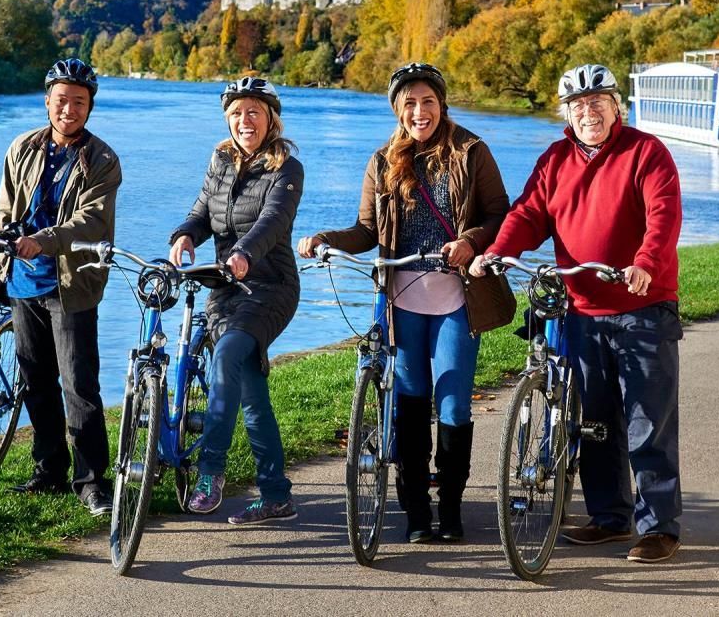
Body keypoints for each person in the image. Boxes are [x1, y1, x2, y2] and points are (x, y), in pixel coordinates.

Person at [472, 63, 684, 564]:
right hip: (581, 307)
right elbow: (529, 212)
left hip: (642, 306)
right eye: (579, 105)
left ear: (616, 106)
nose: (589, 112)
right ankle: (611, 518)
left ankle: (659, 528)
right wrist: (501, 251)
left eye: (598, 102)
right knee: (595, 420)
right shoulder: (556, 159)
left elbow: (663, 215)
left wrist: (645, 263)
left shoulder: (645, 152)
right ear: (567, 112)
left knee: (647, 420)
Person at [297, 62, 512, 543]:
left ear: (442, 104)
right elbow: (366, 231)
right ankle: (416, 514)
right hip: (403, 300)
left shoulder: (472, 151)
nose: (420, 112)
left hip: (458, 298)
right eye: (410, 104)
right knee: (411, 407)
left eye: (428, 101)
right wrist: (324, 239)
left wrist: (471, 242)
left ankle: (451, 511)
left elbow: (501, 214)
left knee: (454, 405)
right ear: (399, 110)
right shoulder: (381, 161)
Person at [0, 58, 120, 515]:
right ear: (47, 102)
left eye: (79, 101)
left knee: (79, 384)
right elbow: (4, 215)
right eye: (61, 101)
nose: (68, 110)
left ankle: (93, 481)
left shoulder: (102, 159)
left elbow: (91, 221)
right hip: (21, 282)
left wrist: (42, 241)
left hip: (71, 283)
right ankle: (49, 469)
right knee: (36, 382)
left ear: (90, 106)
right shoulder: (22, 147)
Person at [170, 75, 305, 526]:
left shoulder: (287, 168)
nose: (245, 120)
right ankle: (276, 495)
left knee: (225, 355)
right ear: (228, 120)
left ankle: (210, 471)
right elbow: (202, 211)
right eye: (237, 113)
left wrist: (245, 253)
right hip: (224, 286)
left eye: (254, 112)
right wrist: (186, 235)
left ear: (270, 119)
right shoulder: (221, 159)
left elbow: (272, 222)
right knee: (251, 394)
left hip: (271, 286)